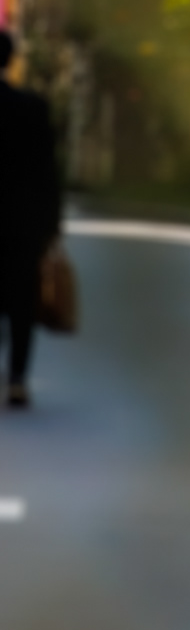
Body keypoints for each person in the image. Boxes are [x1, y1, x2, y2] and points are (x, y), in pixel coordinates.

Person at [0, 27, 60, 408]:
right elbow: (48, 172)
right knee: (22, 300)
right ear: (10, 60)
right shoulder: (33, 109)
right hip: (21, 221)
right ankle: (17, 379)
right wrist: (52, 227)